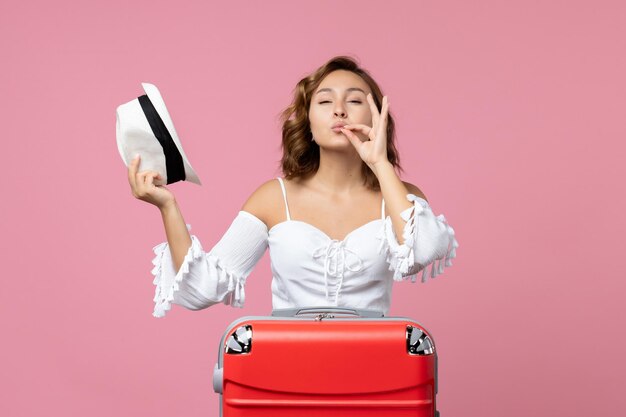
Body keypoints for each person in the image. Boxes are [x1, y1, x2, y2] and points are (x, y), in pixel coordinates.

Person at [127, 56, 459, 318]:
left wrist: (380, 165)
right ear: (308, 122)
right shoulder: (274, 197)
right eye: (325, 102)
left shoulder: (402, 196)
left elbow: (425, 250)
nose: (340, 110)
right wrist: (167, 206)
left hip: (373, 371)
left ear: (376, 118)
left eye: (355, 101)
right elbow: (200, 289)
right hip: (286, 371)